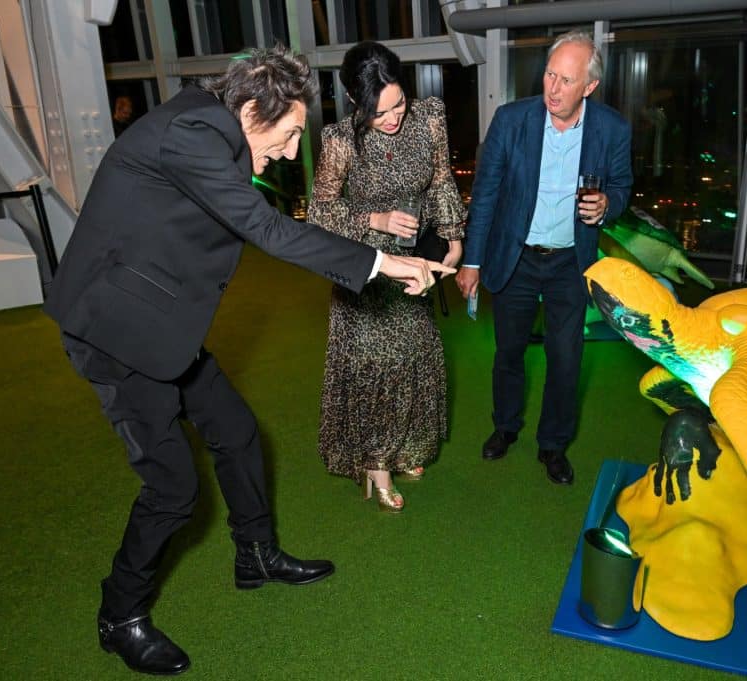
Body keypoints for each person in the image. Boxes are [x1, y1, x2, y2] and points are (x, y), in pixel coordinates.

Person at [44, 45, 451, 676]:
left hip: (162, 321)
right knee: (174, 487)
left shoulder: (210, 130)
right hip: (116, 331)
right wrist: (380, 262)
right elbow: (266, 228)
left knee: (236, 434)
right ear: (253, 110)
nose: (292, 152)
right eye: (290, 134)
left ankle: (256, 555)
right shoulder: (193, 132)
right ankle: (120, 614)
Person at [456, 31, 632, 485]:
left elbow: (622, 186)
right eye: (550, 74)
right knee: (508, 353)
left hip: (569, 263)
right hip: (516, 258)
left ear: (588, 87)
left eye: (566, 80)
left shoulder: (612, 128)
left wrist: (608, 204)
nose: (553, 88)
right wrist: (472, 260)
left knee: (566, 359)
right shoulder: (511, 120)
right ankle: (505, 427)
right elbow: (486, 194)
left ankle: (553, 445)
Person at [308, 41, 466, 512]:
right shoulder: (340, 142)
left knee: (414, 357)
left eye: (398, 103)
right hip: (365, 269)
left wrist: (454, 235)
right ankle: (376, 465)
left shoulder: (429, 119)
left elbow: (439, 180)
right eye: (379, 112)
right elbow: (320, 210)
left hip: (414, 266)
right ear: (357, 103)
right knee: (374, 368)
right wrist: (375, 219)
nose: (394, 117)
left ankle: (406, 447)